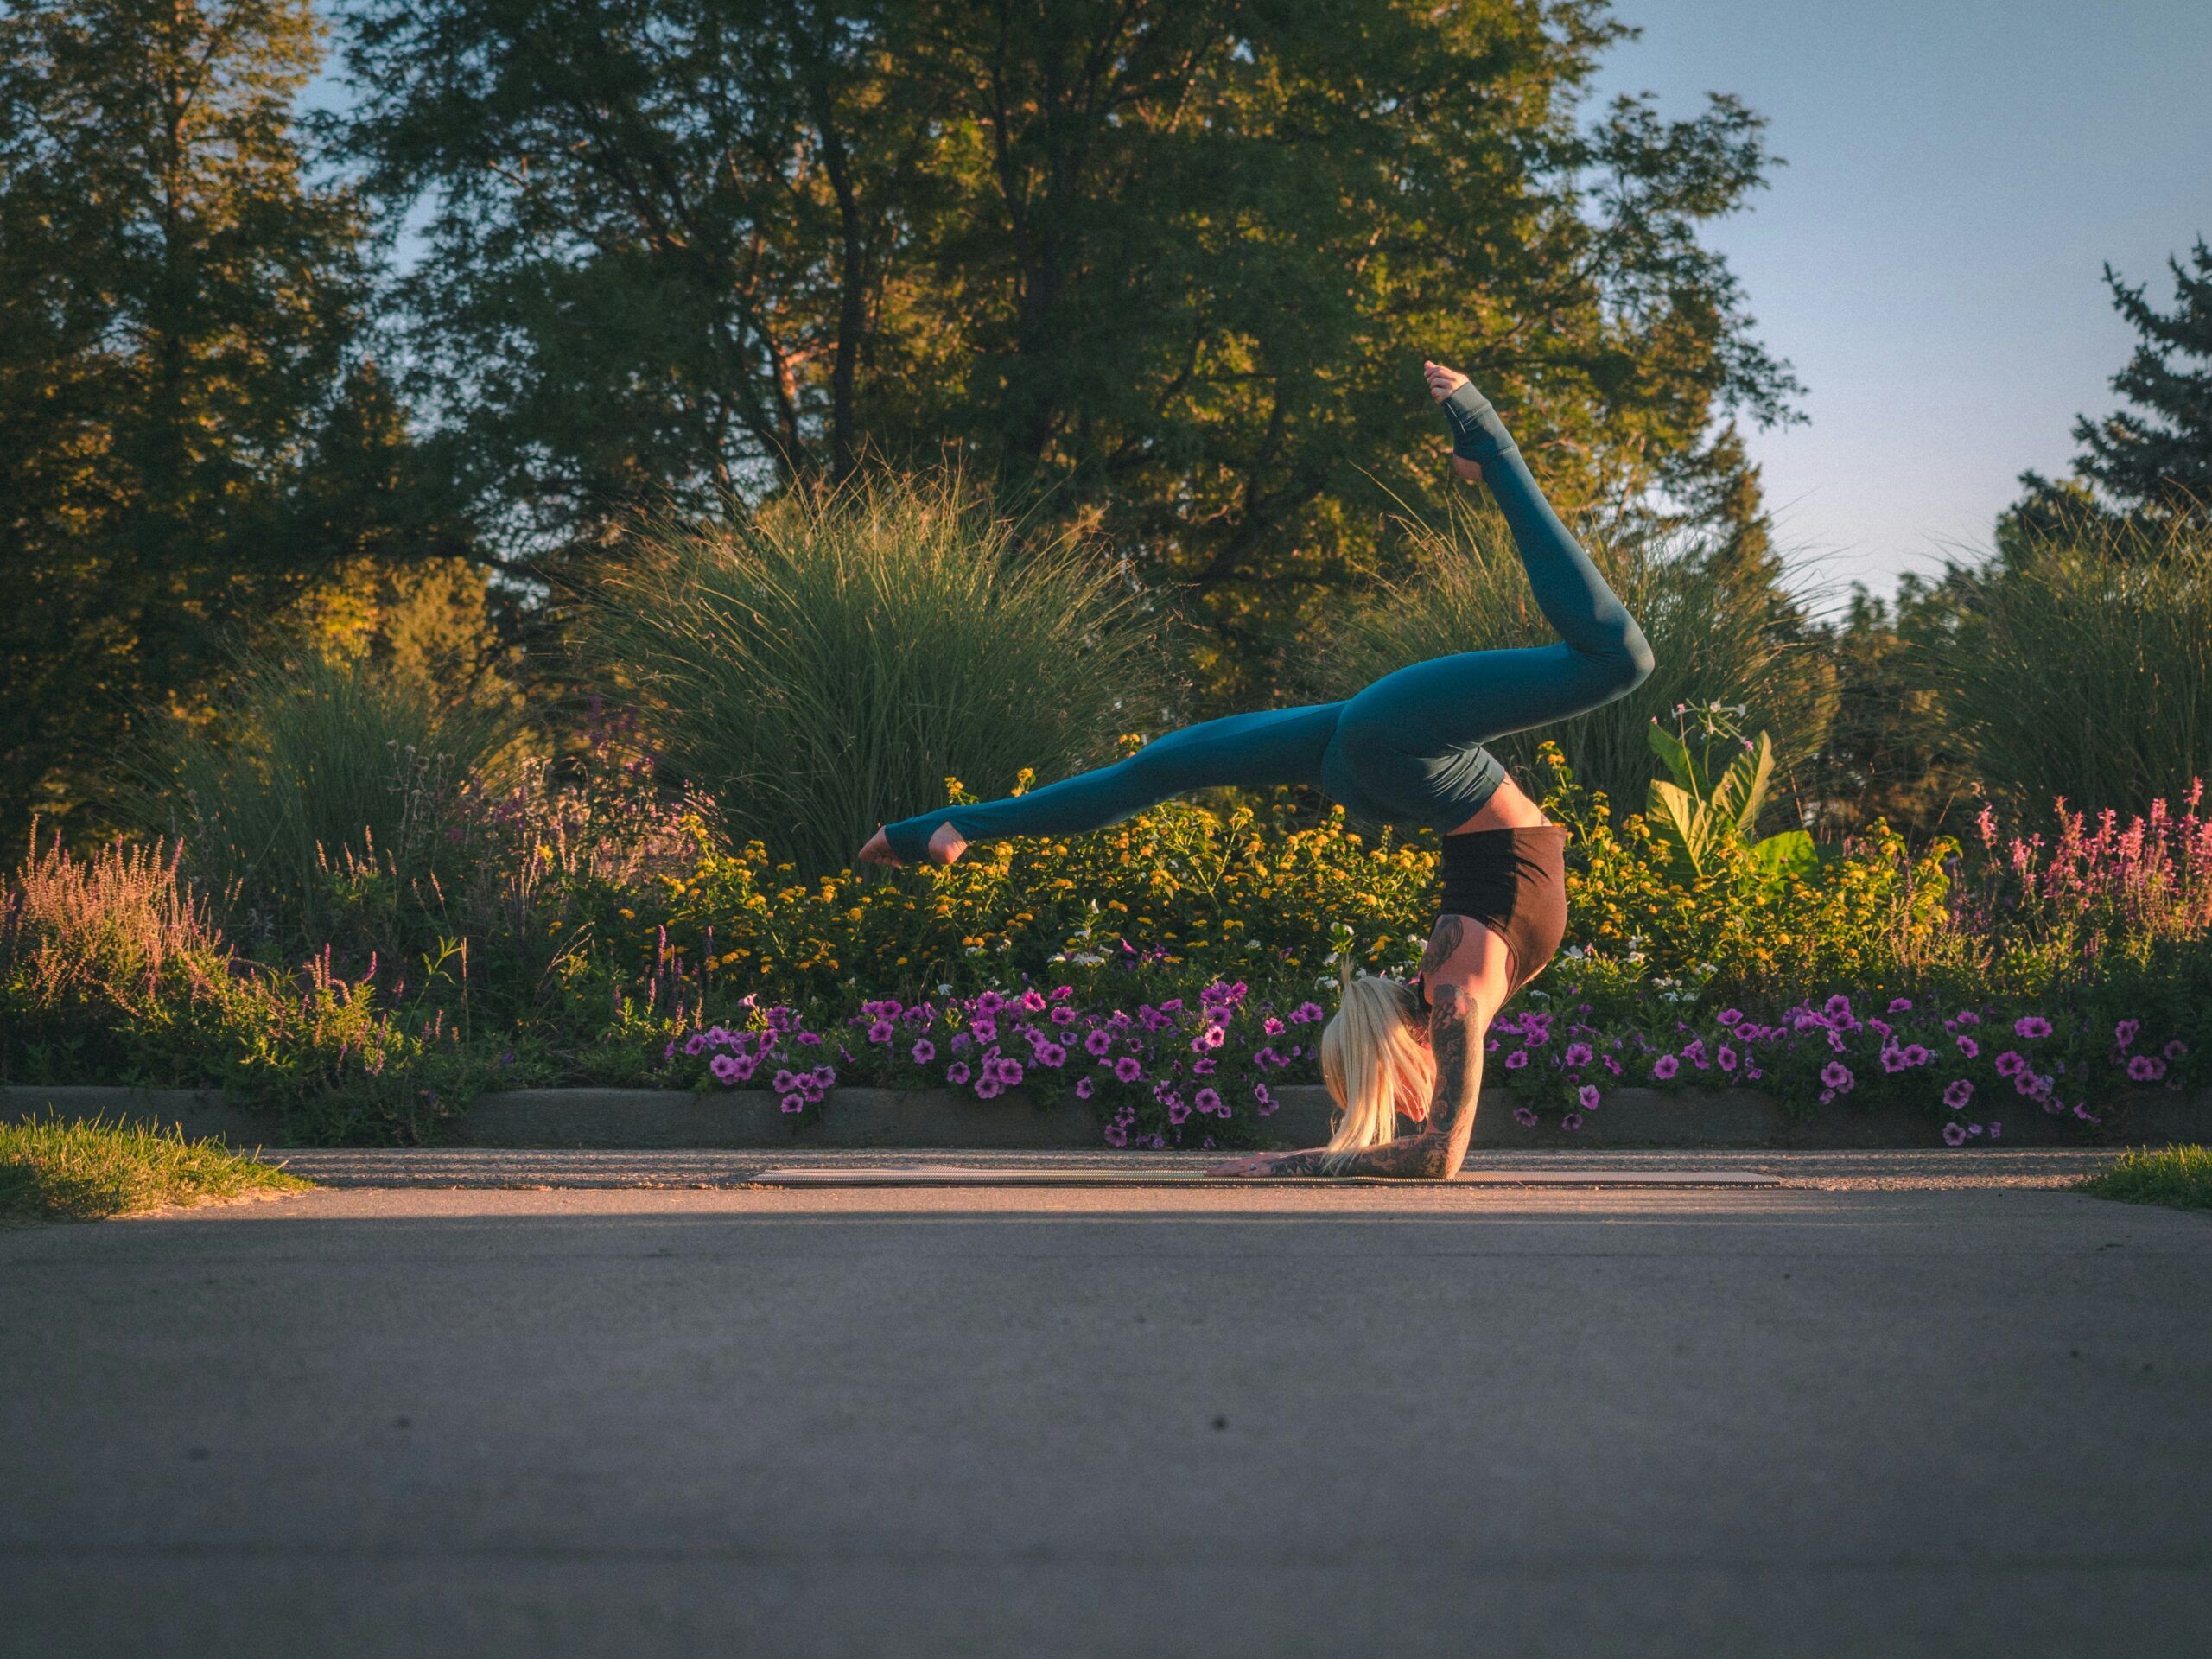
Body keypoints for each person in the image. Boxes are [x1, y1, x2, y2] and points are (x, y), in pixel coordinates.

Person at [856, 362, 1655, 1178]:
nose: (1418, 1105)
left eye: (1402, 1096)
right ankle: (940, 830)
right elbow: (1436, 1154)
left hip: (1402, 749)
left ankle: (939, 829)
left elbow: (1435, 1158)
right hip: (1383, 763)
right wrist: (1308, 1157)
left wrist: (1280, 1167)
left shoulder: (1454, 995)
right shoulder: (1455, 995)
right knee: (1157, 772)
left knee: (1617, 660)